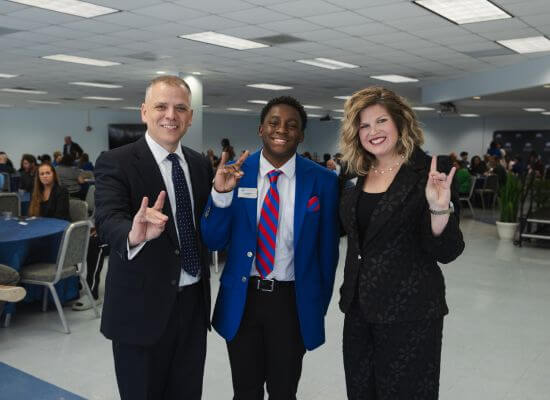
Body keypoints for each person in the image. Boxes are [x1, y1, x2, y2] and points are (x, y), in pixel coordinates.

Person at [201, 96, 340, 400]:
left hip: (291, 302)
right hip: (243, 299)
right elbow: (212, 240)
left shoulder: (323, 181)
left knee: (283, 391)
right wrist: (221, 196)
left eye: (292, 125)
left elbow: (328, 255)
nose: (282, 130)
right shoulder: (236, 173)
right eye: (274, 123)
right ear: (261, 129)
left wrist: (315, 306)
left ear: (301, 135)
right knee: (246, 391)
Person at [338, 86, 465, 399]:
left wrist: (438, 208)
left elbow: (448, 251)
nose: (373, 131)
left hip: (410, 314)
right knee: (360, 391)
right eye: (364, 125)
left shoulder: (431, 172)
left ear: (401, 122)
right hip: (358, 310)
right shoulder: (354, 170)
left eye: (381, 121)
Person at [94, 75, 213, 400]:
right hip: (140, 311)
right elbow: (107, 220)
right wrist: (132, 234)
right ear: (144, 112)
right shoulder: (115, 162)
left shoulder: (199, 164)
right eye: (161, 106)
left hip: (192, 307)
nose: (170, 115)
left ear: (191, 117)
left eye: (180, 108)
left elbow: (206, 224)